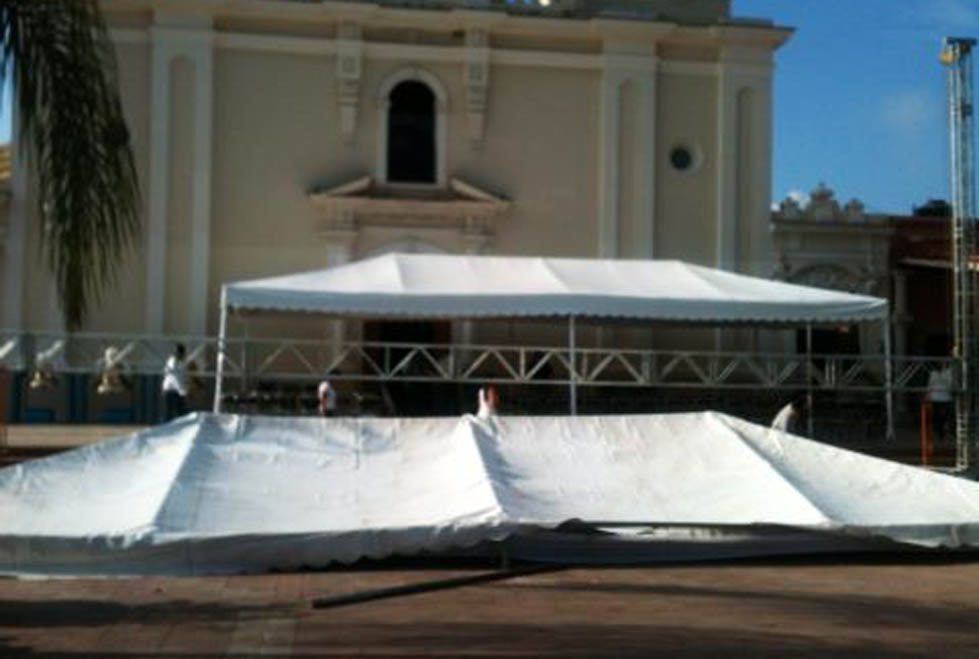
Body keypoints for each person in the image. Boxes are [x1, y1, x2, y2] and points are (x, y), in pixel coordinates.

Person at [161, 343, 189, 422]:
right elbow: (175, 377)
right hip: (173, 390)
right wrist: (183, 391)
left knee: (175, 412)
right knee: (174, 412)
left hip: (174, 389)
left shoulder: (177, 362)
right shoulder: (174, 362)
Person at [927, 363, 954, 442]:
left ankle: (942, 432)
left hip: (943, 397)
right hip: (940, 397)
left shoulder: (947, 372)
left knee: (941, 416)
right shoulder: (936, 373)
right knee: (940, 417)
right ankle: (942, 432)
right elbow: (930, 385)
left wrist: (928, 394)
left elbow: (930, 385)